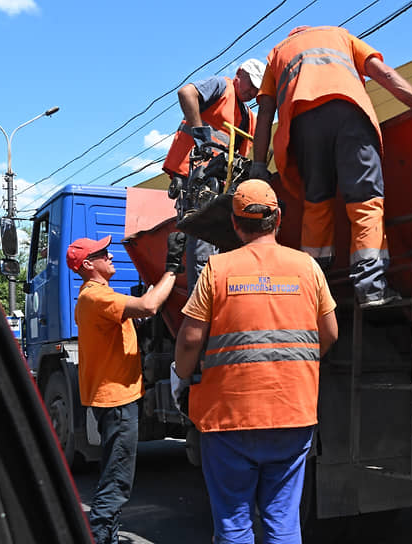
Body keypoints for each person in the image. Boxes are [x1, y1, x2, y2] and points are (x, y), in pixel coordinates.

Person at [173, 180, 338, 544]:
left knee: (234, 523)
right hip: (293, 414)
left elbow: (189, 339)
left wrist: (180, 377)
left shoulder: (217, 269)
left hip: (228, 419)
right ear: (278, 218)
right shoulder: (308, 267)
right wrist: (301, 363)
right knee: (282, 521)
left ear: (235, 224)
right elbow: (329, 333)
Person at [249, 25, 412, 308]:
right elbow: (384, 73)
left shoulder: (277, 53)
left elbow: (266, 112)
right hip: (349, 114)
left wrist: (258, 165)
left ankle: (313, 295)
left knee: (316, 204)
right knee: (366, 200)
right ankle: (371, 289)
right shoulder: (340, 36)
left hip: (302, 126)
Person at [65, 232, 185, 544]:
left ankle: (108, 535)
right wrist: (171, 268)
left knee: (115, 474)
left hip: (113, 400)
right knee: (117, 480)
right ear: (88, 264)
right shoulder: (96, 297)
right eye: (103, 253)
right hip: (116, 401)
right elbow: (148, 306)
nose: (111, 256)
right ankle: (101, 537)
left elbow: (128, 321)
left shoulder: (95, 296)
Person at [163, 58, 266, 291]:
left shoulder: (250, 117)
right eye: (250, 85)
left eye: (256, 90)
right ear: (239, 73)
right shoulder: (221, 86)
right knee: (203, 243)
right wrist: (201, 136)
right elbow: (186, 93)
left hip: (223, 185)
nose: (251, 92)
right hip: (197, 178)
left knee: (222, 245)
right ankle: (201, 305)